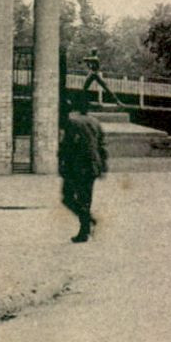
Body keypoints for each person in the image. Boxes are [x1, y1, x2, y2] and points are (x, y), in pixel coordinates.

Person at [58, 93, 108, 243]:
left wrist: (62, 163)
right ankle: (86, 225)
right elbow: (102, 146)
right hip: (92, 165)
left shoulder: (72, 121)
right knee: (85, 198)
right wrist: (103, 166)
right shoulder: (95, 122)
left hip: (76, 165)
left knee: (68, 196)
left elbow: (67, 144)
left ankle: (86, 226)